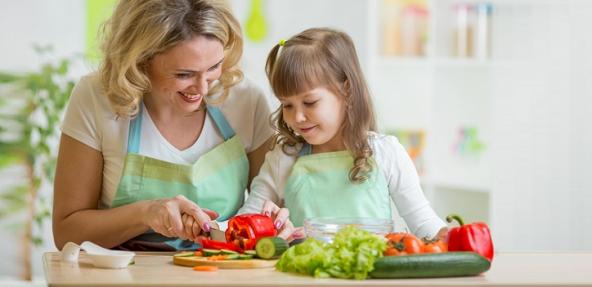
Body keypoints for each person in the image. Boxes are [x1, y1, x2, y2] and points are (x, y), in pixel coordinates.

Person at [52, 0, 273, 251]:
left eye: (214, 67)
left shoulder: (246, 99)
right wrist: (147, 213)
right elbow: (66, 233)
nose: (202, 88)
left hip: (222, 269)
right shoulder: (96, 98)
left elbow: (271, 202)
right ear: (141, 61)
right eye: (184, 74)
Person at [238, 28, 447, 241]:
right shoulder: (283, 158)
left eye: (310, 103)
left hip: (372, 274)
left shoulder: (385, 152)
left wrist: (453, 237)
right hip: (302, 274)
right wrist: (270, 225)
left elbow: (424, 224)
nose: (297, 117)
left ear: (346, 89)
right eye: (287, 105)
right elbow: (245, 222)